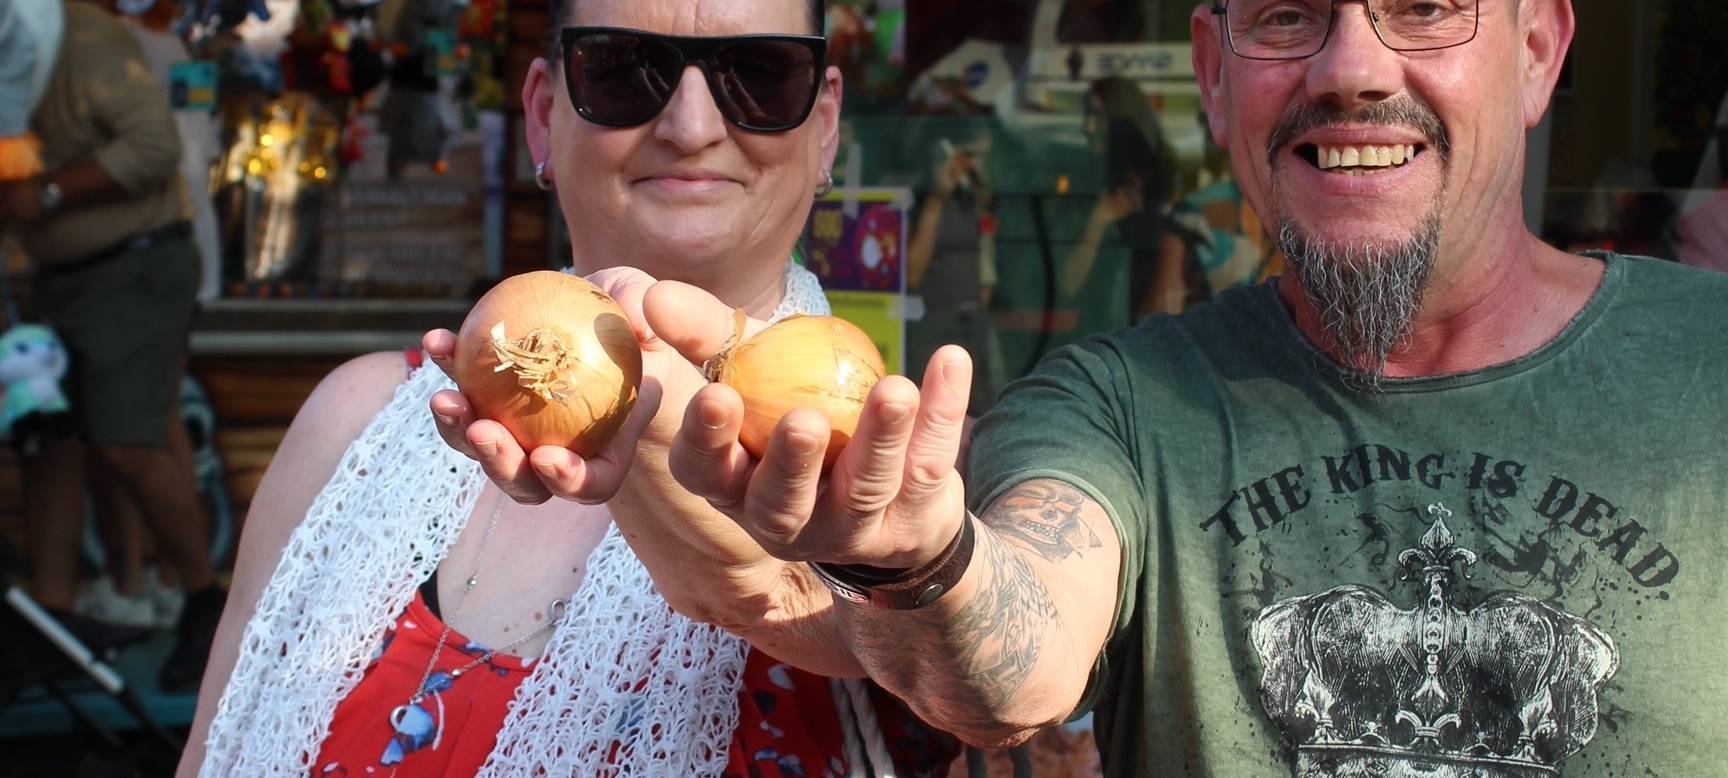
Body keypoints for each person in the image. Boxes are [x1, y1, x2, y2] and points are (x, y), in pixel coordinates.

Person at [473, 0, 1728, 776]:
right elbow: (1014, 665)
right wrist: (912, 558)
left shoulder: (1708, 369)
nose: (1353, 65)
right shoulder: (1124, 404)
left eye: (1425, 5)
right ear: (1215, 69)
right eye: (1288, 14)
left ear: (1543, 46)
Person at [180, 0, 955, 775]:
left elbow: (993, 691)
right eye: (623, 70)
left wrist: (870, 573)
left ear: (823, 127)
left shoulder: (910, 483)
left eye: (758, 74)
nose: (691, 126)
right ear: (544, 117)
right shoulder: (355, 425)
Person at [0, 0, 223, 687]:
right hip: (59, 275)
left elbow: (154, 147)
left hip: (131, 264)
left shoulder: (89, 42)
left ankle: (204, 601)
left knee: (130, 440)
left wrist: (54, 192)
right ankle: (55, 617)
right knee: (52, 443)